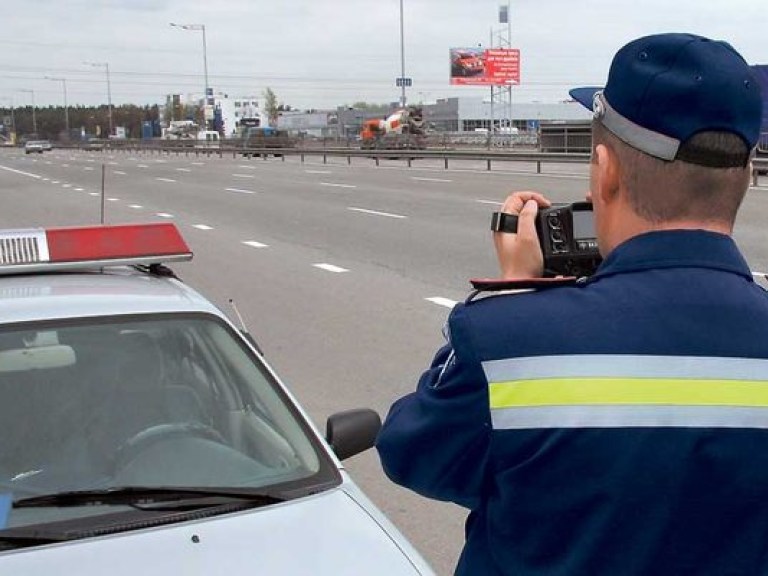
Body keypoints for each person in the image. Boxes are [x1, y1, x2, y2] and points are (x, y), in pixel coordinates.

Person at [376, 32, 768, 576]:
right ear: (745, 176)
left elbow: (412, 454)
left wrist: (514, 297)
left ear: (604, 171)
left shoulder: (509, 343)